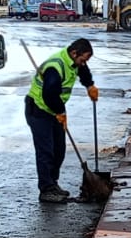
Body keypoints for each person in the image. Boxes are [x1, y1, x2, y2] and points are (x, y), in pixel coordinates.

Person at [26, 37, 100, 202]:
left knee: (59, 149)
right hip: (39, 109)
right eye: (82, 59)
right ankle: (46, 190)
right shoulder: (56, 67)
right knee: (46, 151)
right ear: (74, 53)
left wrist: (89, 85)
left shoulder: (74, 62)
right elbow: (49, 95)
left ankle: (53, 183)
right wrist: (60, 112)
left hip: (54, 109)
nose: (83, 63)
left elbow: (83, 70)